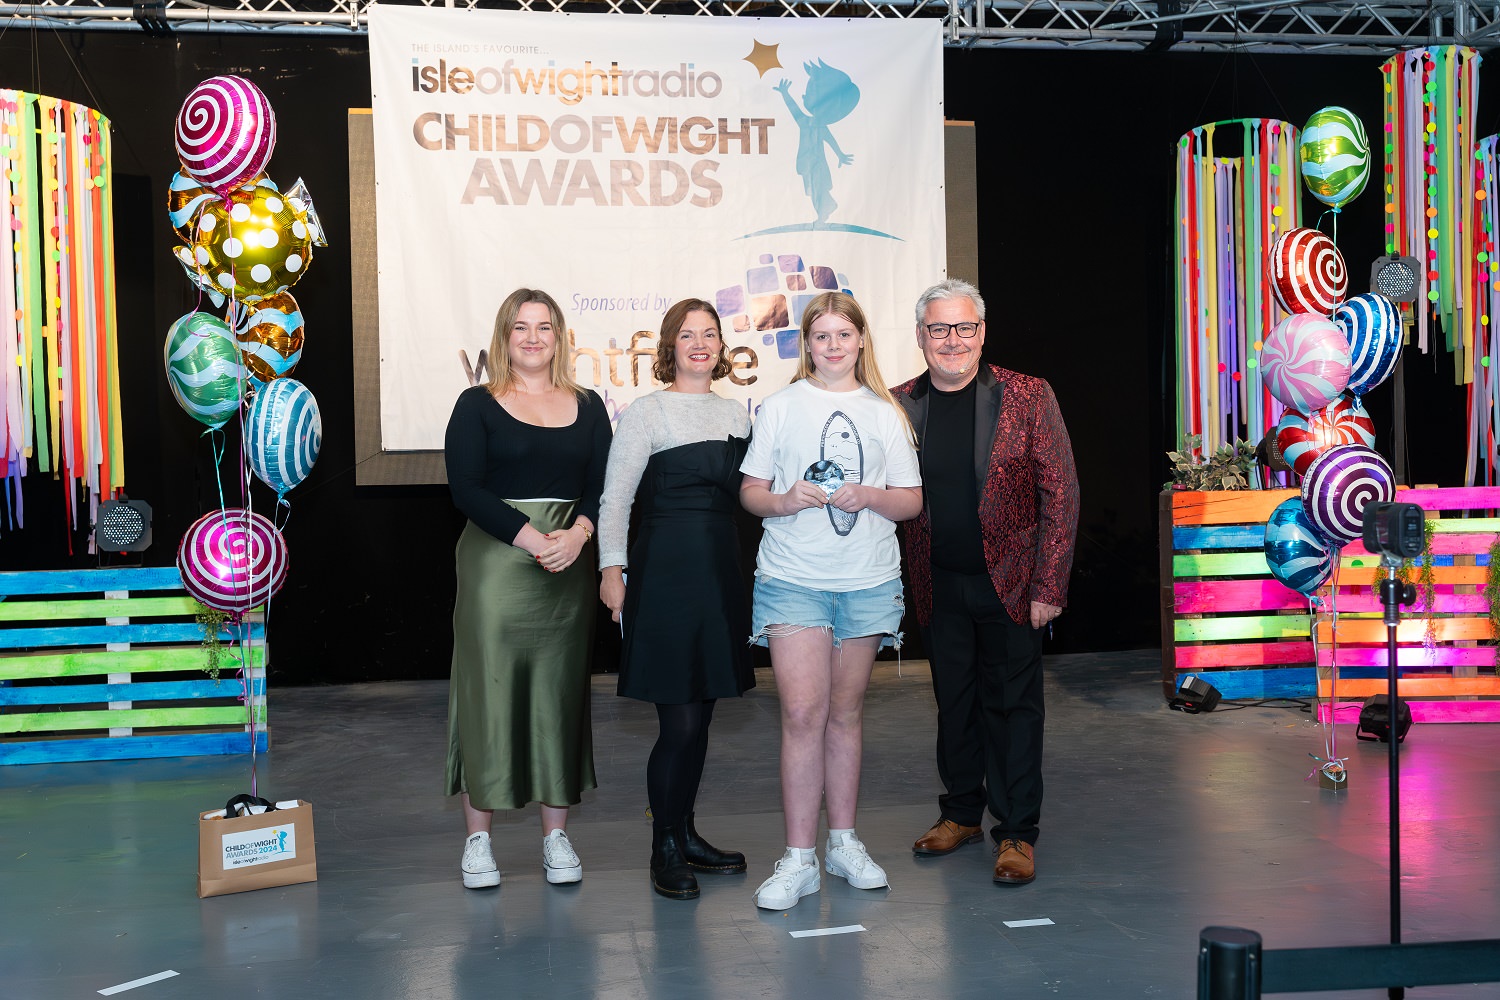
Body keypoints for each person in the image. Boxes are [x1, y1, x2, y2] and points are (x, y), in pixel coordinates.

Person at [891, 279, 1079, 886]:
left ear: (982, 332)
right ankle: (961, 813)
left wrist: (1049, 584)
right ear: (921, 337)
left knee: (1014, 710)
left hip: (1015, 585)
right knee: (955, 707)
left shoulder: (1027, 395)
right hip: (936, 584)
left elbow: (1062, 491)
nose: (953, 340)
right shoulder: (895, 404)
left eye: (964, 327)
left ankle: (1018, 832)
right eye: (940, 329)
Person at [739, 291, 923, 910]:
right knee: (801, 716)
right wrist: (785, 500)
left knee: (845, 716)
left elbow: (910, 501)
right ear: (806, 345)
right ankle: (798, 859)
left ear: (862, 340)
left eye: (844, 334)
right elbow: (751, 493)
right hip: (794, 577)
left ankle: (842, 844)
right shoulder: (780, 408)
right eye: (821, 336)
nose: (834, 346)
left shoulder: (886, 413)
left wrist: (869, 495)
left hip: (868, 582)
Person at [443, 287, 612, 890]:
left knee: (558, 697)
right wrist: (533, 539)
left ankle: (556, 838)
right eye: (521, 327)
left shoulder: (590, 405)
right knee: (489, 695)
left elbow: (603, 485)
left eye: (544, 326)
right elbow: (465, 489)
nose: (533, 337)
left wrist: (580, 533)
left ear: (560, 336)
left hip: (565, 569)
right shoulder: (476, 404)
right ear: (504, 336)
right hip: (498, 568)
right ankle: (479, 843)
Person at [596, 299, 755, 901]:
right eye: (687, 335)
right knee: (679, 720)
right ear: (669, 344)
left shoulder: (737, 415)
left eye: (709, 334)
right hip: (662, 575)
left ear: (721, 347)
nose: (699, 344)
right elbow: (615, 500)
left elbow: (751, 496)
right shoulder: (646, 413)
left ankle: (686, 833)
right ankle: (664, 843)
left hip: (718, 576)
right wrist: (613, 571)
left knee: (703, 715)